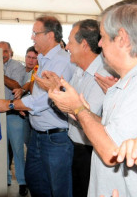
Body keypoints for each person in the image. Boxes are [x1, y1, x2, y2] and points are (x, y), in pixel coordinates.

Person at [47, 0, 137, 196]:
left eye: (103, 37)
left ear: (122, 38)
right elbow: (112, 133)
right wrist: (80, 111)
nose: (100, 44)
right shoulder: (127, 80)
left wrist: (78, 108)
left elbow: (111, 151)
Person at [0, 15, 75, 197]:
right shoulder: (44, 59)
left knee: (58, 188)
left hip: (55, 138)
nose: (32, 37)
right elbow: (37, 93)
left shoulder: (61, 61)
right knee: (35, 181)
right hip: (38, 136)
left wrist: (11, 105)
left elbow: (45, 99)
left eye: (35, 33)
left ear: (50, 35)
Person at [41, 19, 110, 197]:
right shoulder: (79, 70)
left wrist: (58, 95)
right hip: (74, 146)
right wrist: (57, 92)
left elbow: (85, 118)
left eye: (71, 41)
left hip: (89, 151)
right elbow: (68, 111)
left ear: (84, 45)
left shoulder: (101, 75)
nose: (67, 47)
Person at [0, 41, 27, 196]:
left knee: (18, 149)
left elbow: (16, 85)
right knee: (0, 151)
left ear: (11, 52)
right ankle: (4, 179)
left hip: (14, 114)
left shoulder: (18, 67)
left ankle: (22, 181)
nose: (2, 54)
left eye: (5, 51)